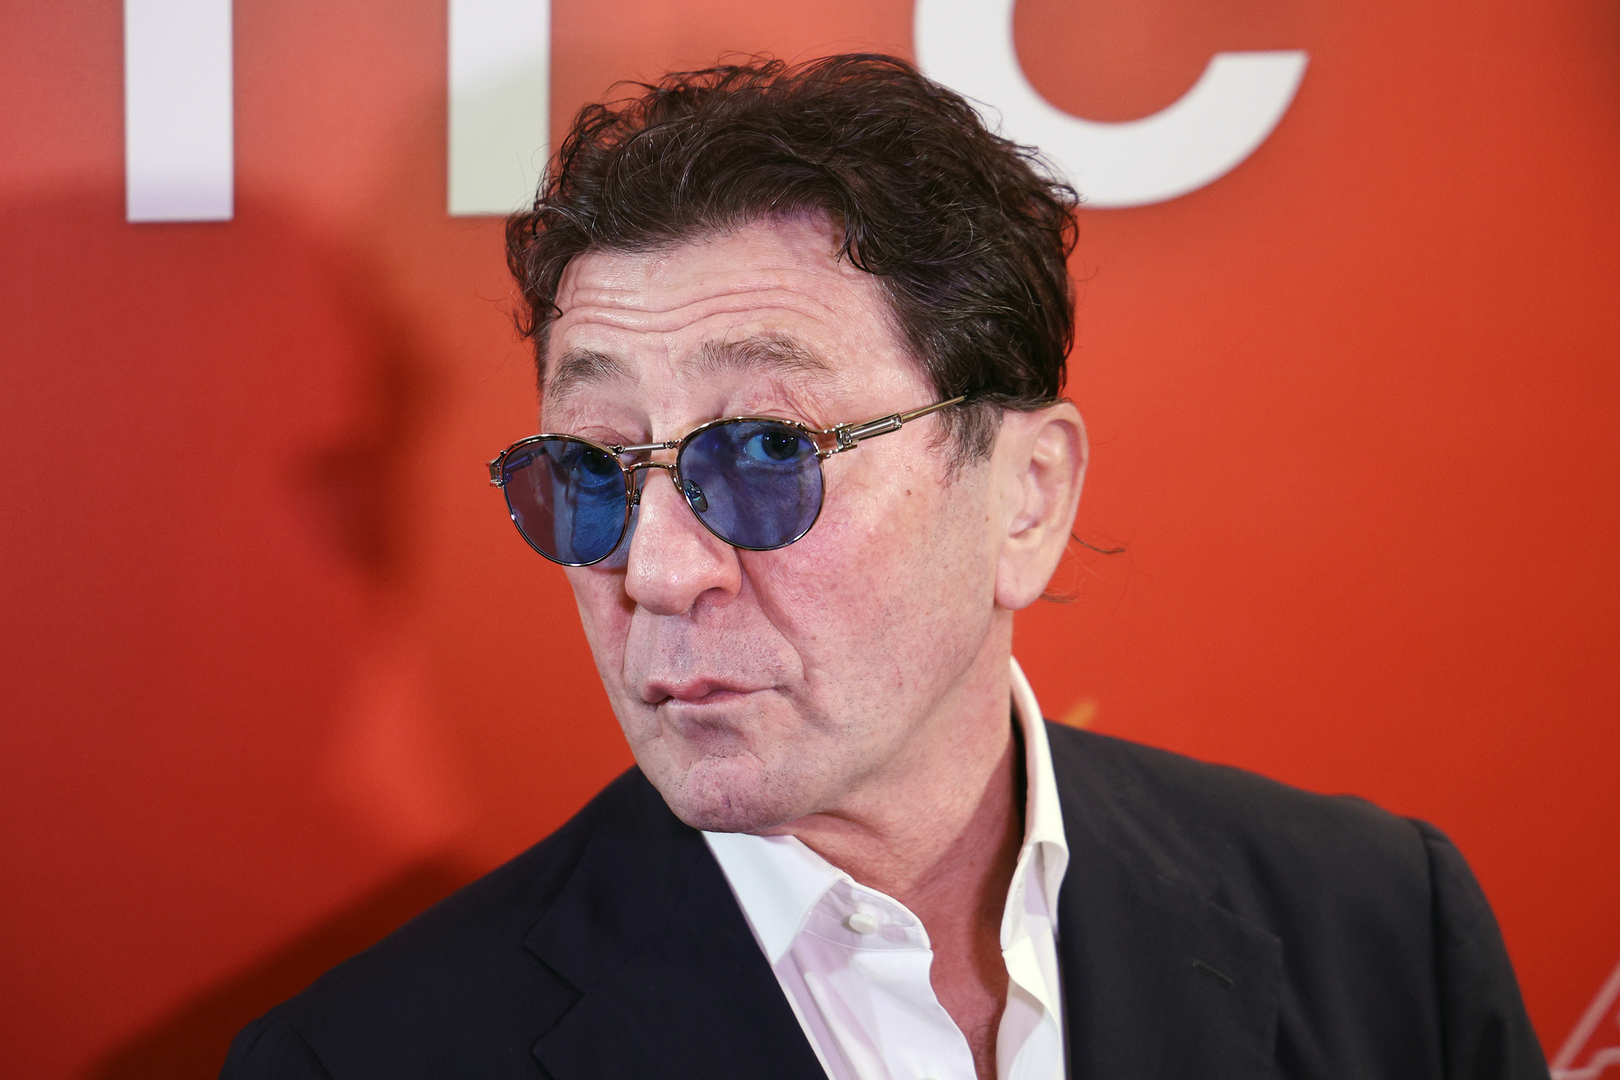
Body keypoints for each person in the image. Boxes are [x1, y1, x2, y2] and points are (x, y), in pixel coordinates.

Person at [221, 54, 1548, 1080]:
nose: (660, 571)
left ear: (1026, 496)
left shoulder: (1379, 925)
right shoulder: (364, 1060)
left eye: (765, 449)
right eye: (592, 468)